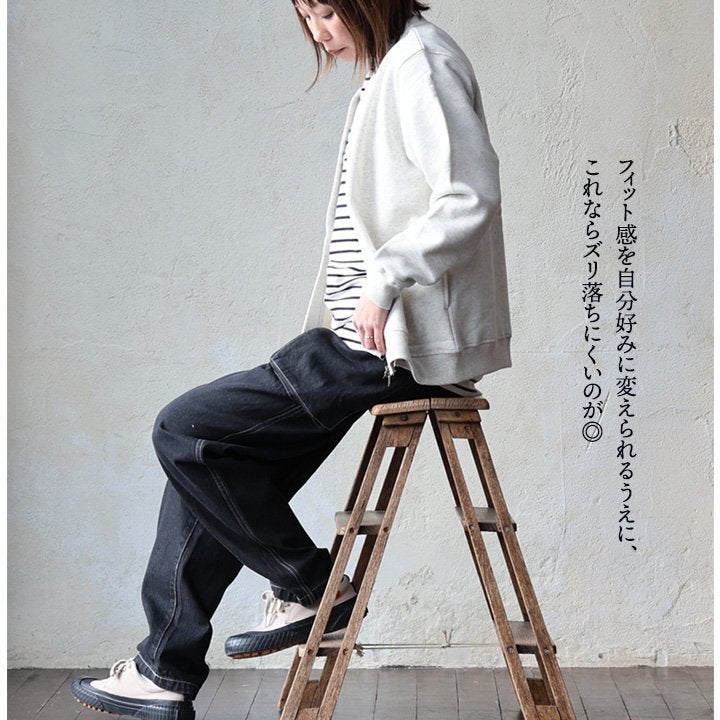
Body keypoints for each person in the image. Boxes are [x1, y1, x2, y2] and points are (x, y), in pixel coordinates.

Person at [71, 1, 511, 719]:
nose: (318, 31)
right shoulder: (388, 70)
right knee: (210, 459)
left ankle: (313, 587)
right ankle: (164, 670)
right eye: (306, 15)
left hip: (390, 346)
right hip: (362, 339)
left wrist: (385, 278)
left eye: (328, 11)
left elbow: (470, 195)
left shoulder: (422, 63)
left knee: (182, 428)